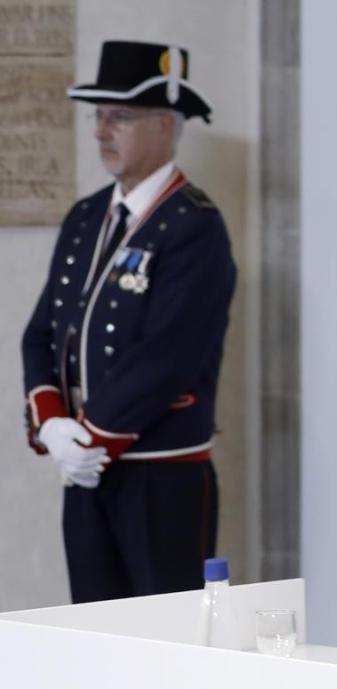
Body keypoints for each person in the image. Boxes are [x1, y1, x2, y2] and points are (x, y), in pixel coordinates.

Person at [19, 40, 236, 602]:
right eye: (98, 116)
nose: (101, 132)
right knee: (93, 630)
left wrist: (90, 439)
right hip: (84, 470)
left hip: (161, 477)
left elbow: (169, 356)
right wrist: (52, 426)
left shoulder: (194, 226)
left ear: (165, 125)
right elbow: (42, 333)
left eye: (119, 117)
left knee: (166, 636)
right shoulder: (86, 216)